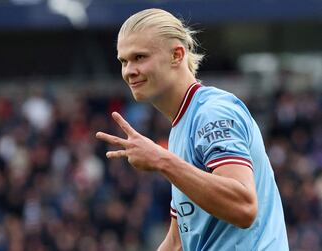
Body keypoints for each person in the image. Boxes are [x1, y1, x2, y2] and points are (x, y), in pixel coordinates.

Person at [96, 8, 289, 251]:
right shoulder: (182, 126)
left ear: (177, 55)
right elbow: (178, 242)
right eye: (123, 61)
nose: (129, 71)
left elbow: (244, 207)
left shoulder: (212, 112)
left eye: (140, 57)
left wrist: (160, 159)